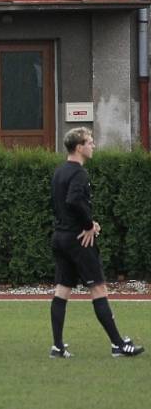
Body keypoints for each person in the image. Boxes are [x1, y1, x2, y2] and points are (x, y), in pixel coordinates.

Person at [48, 127, 144, 359]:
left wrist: (87, 222)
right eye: (90, 142)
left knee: (62, 290)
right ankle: (118, 345)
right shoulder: (79, 173)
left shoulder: (59, 171)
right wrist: (89, 226)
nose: (93, 146)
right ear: (79, 147)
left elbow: (60, 204)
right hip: (78, 240)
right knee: (98, 288)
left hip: (60, 237)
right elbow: (74, 201)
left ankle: (58, 347)